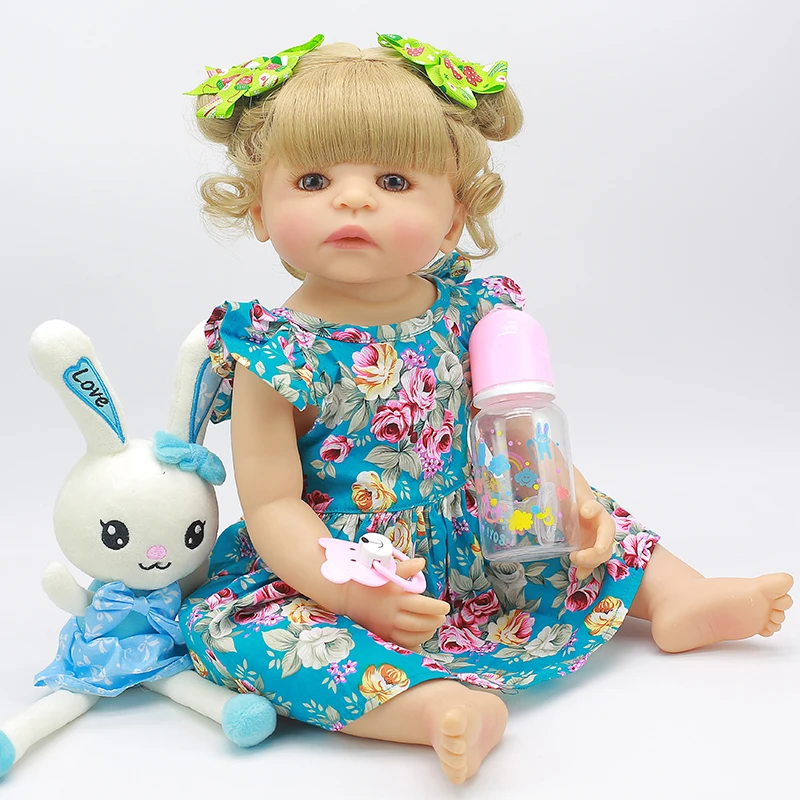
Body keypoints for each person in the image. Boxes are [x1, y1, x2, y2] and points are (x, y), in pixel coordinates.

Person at [178, 34, 793, 784]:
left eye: (394, 180)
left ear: (454, 215)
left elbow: (519, 431)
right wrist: (348, 591)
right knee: (259, 637)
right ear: (259, 209)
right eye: (313, 179)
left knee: (589, 520)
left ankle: (679, 596)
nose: (353, 198)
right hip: (354, 566)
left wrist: (573, 499)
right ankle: (434, 707)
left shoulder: (472, 310)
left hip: (487, 533)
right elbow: (273, 504)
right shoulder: (274, 351)